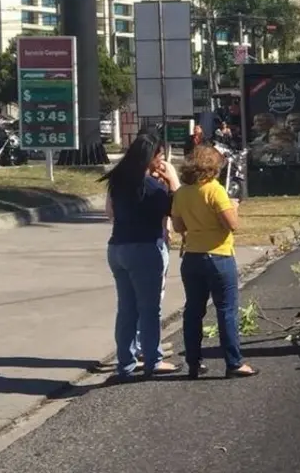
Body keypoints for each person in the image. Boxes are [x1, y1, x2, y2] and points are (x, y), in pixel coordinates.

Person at [171, 145, 257, 379]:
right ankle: (234, 362)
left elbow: (179, 226)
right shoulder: (214, 190)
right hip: (218, 254)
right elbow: (232, 224)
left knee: (193, 311)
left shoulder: (182, 193)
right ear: (212, 167)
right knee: (226, 309)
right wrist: (234, 207)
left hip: (192, 256)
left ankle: (193, 362)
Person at [100, 133, 181, 379]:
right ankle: (153, 360)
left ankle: (125, 362)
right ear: (152, 157)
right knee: (149, 309)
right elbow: (177, 211)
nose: (162, 161)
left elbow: (110, 213)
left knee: (126, 308)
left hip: (117, 248)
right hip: (145, 248)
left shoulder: (118, 181)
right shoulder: (154, 188)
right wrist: (173, 182)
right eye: (160, 156)